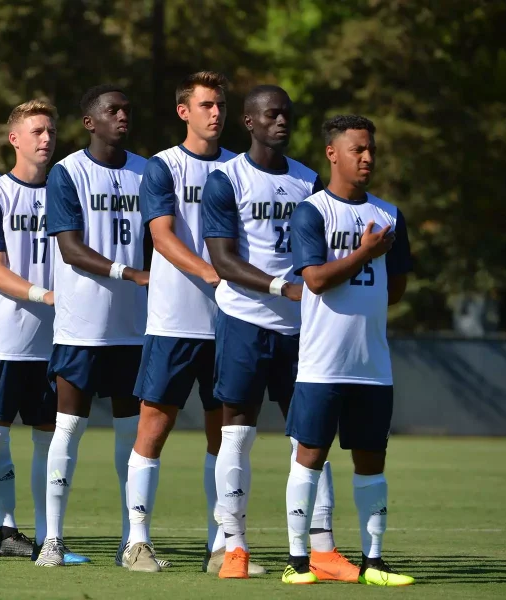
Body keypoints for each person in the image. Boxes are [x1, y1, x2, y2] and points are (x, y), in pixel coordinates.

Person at [201, 85, 356, 581]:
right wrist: (280, 287)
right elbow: (223, 260)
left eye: (288, 113)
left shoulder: (309, 180)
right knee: (238, 432)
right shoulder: (226, 179)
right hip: (245, 321)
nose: (282, 121)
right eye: (272, 114)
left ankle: (323, 548)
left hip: (303, 331)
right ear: (249, 121)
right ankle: (235, 546)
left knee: (311, 436)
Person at [126, 71, 255, 573]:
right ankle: (137, 542)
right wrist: (216, 275)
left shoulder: (240, 168)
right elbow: (162, 236)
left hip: (230, 322)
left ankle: (221, 546)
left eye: (220, 104)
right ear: (184, 111)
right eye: (205, 105)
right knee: (152, 428)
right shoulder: (163, 167)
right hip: (175, 320)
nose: (216, 113)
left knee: (223, 436)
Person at [283, 115, 414, 586]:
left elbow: (395, 286)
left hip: (372, 365)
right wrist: (363, 254)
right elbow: (314, 279)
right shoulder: (311, 212)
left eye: (371, 150)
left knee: (371, 460)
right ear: (332, 154)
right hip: (322, 364)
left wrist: (370, 268)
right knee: (310, 458)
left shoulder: (391, 214)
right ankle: (299, 563)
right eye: (358, 149)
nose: (367, 158)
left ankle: (375, 562)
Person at [35, 85, 149, 568]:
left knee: (131, 435)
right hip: (81, 327)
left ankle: (133, 542)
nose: (122, 116)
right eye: (112, 110)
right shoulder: (68, 173)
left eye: (127, 109)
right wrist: (130, 273)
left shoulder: (148, 170)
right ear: (89, 122)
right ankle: (53, 540)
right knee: (69, 429)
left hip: (134, 327)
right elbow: (70, 249)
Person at [0, 99, 59, 562]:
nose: (46, 139)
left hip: (56, 343)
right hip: (6, 337)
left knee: (48, 439)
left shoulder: (67, 192)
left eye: (50, 131)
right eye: (36, 131)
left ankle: (47, 538)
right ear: (15, 139)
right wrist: (47, 296)